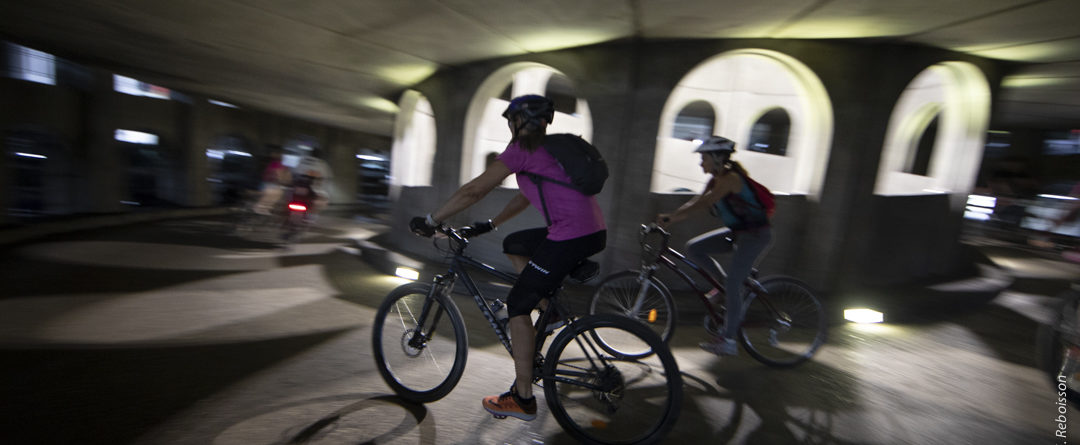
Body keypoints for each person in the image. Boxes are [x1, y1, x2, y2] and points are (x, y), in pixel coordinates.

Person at [410, 95, 606, 422]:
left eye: (510, 121)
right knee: (516, 243)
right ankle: (549, 309)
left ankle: (522, 398)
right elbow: (524, 195)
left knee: (517, 305)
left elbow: (474, 190)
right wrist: (490, 224)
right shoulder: (548, 151)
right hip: (590, 231)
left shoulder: (522, 149)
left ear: (518, 121)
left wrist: (432, 220)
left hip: (570, 234)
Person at [656, 135, 772, 356]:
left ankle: (728, 341)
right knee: (695, 248)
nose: (701, 163)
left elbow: (705, 203)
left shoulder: (731, 179)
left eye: (704, 158)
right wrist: (671, 217)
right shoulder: (715, 180)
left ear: (718, 158)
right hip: (737, 233)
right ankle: (721, 287)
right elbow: (695, 202)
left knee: (734, 283)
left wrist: (671, 218)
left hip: (756, 236)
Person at [291, 147, 332, 217]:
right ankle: (312, 216)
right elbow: (326, 177)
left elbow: (294, 173)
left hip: (297, 188)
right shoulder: (322, 164)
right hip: (313, 190)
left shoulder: (302, 161)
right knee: (322, 200)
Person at [252, 145, 292, 215]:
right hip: (266, 183)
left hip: (271, 183)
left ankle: (265, 208)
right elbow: (279, 175)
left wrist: (285, 181)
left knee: (277, 193)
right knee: (275, 192)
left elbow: (286, 176)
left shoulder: (280, 164)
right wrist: (283, 182)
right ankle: (259, 207)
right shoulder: (276, 164)